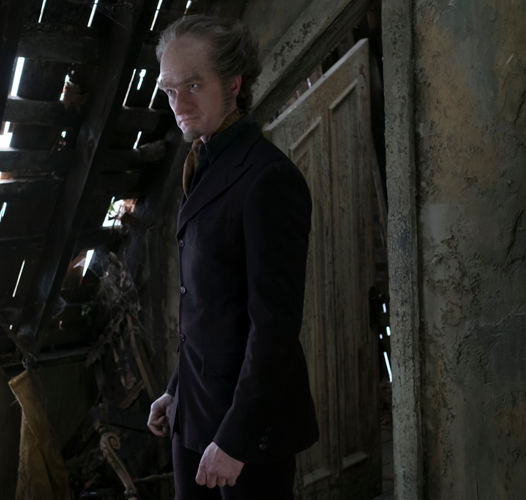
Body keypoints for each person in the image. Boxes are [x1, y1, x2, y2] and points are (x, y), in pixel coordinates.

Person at [146, 15, 319, 500]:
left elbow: (274, 328)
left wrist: (236, 439)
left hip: (247, 431)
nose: (179, 104)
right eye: (169, 90)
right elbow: (212, 306)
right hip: (194, 414)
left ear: (234, 84)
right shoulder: (204, 162)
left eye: (193, 85)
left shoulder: (268, 178)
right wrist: (177, 390)